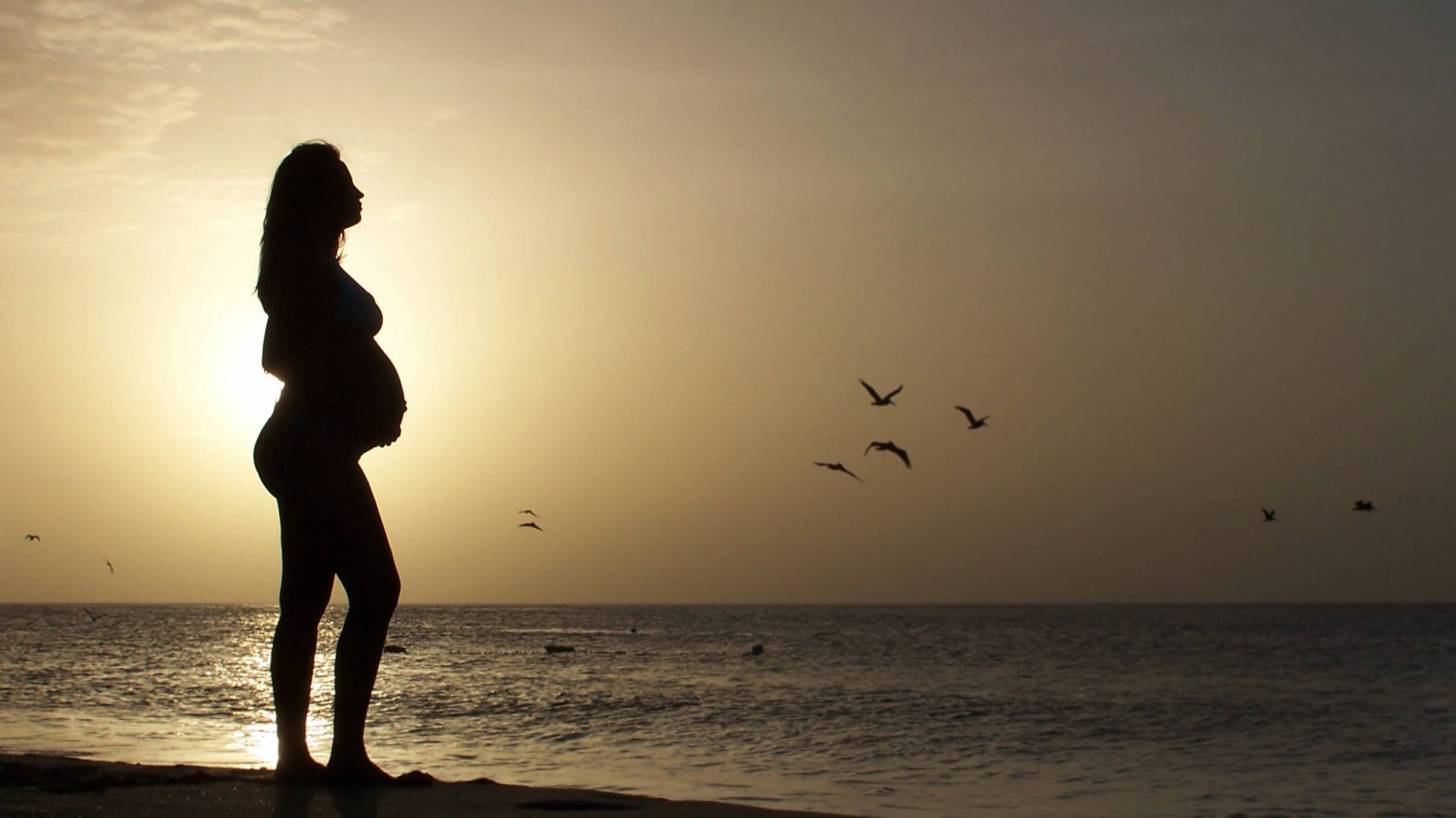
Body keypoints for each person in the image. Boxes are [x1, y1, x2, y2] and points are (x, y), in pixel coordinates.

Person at [253, 141, 408, 785]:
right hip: (309, 443)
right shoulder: (300, 270)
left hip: (314, 444)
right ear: (318, 196)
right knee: (375, 588)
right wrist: (351, 394)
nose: (360, 193)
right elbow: (278, 355)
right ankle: (338, 756)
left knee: (308, 598)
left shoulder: (313, 264)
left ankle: (303, 758)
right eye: (347, 182)